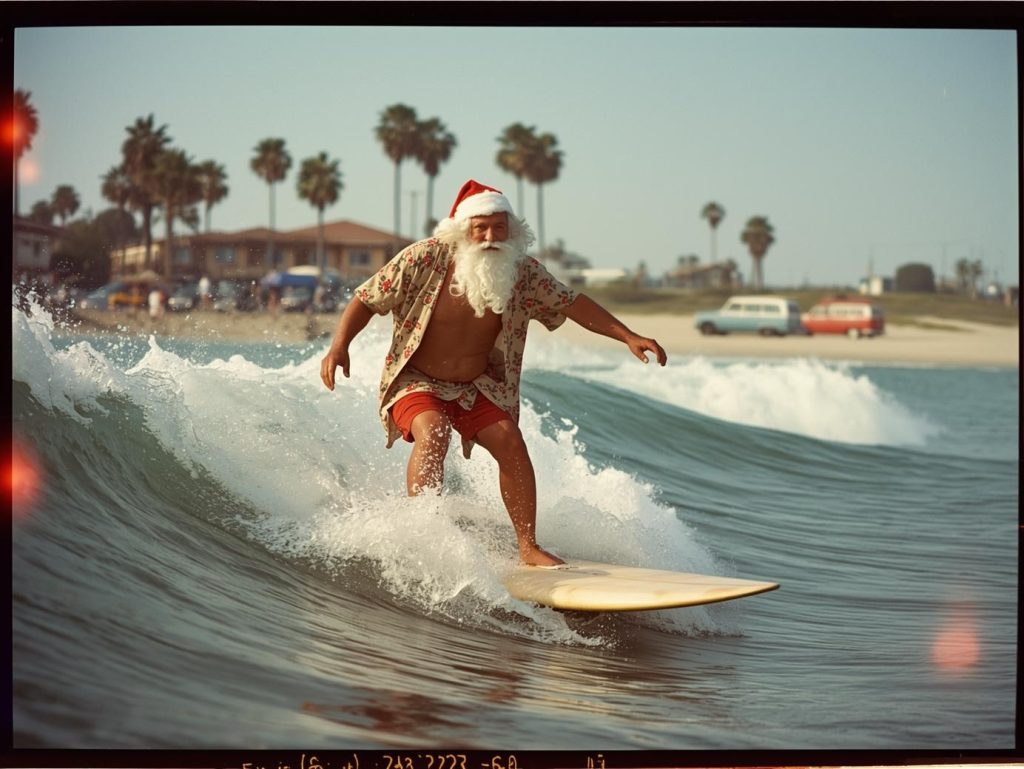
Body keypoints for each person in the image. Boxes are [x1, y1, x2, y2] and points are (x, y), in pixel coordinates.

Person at [320, 180, 667, 567]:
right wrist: (340, 346)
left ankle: (528, 547)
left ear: (511, 230)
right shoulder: (425, 258)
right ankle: (425, 539)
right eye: (480, 227)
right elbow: (368, 297)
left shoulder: (522, 273)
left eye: (499, 227)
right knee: (433, 432)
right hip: (416, 379)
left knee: (510, 441)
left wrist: (628, 336)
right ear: (462, 229)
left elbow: (572, 303)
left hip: (476, 386)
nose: (489, 236)